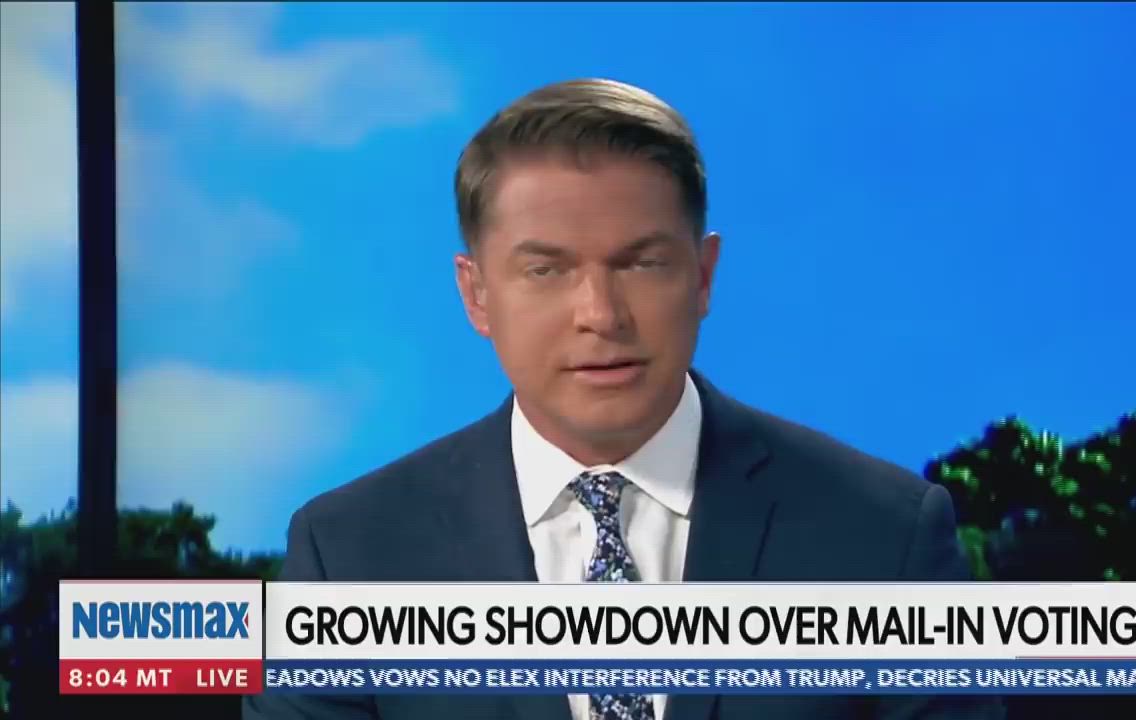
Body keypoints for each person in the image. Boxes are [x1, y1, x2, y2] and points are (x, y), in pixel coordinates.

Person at [244, 78, 1003, 720]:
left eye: (641, 264)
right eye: (546, 270)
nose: (601, 315)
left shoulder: (886, 537)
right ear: (476, 295)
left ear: (702, 277)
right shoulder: (348, 554)